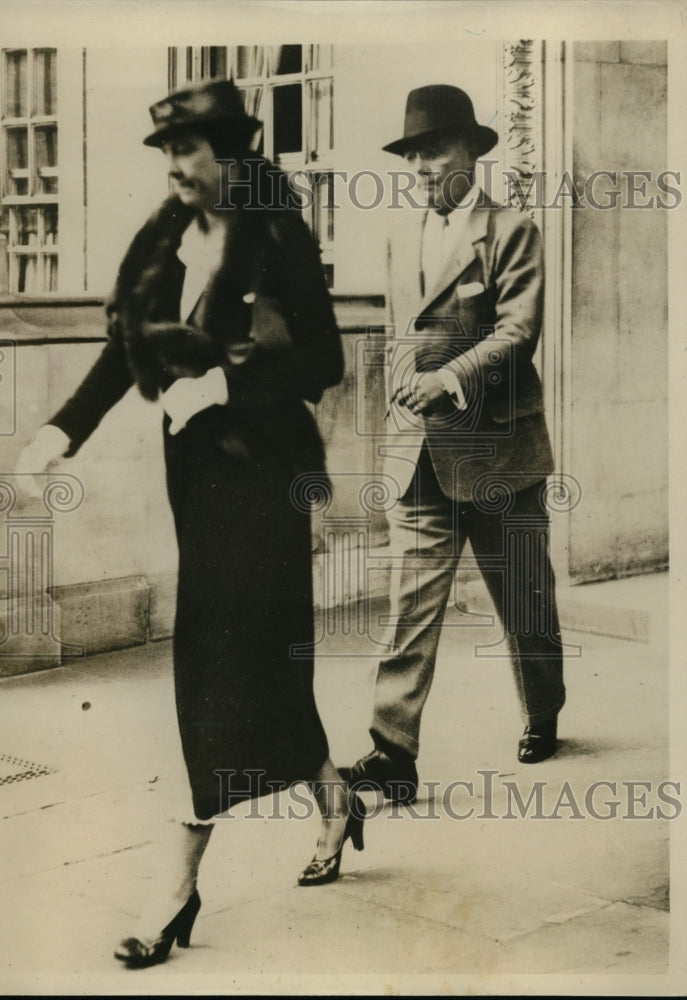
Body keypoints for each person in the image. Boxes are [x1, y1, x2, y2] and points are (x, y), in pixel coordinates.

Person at [16, 79, 364, 969]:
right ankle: (335, 800)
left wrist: (226, 384)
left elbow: (322, 357)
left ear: (232, 157)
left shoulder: (276, 238)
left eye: (189, 152)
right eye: (167, 153)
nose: (174, 167)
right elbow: (122, 344)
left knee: (211, 663)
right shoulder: (166, 242)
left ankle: (176, 887)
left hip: (270, 482)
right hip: (200, 487)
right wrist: (63, 428)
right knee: (261, 663)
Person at [342, 84, 566, 805]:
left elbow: (517, 331)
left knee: (524, 599)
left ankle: (543, 712)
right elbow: (396, 333)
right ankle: (391, 753)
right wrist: (406, 392)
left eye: (433, 151)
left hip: (498, 450)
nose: (420, 167)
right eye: (411, 155)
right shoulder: (399, 233)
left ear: (471, 150)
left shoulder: (511, 229)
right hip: (419, 453)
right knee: (410, 605)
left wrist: (448, 380)